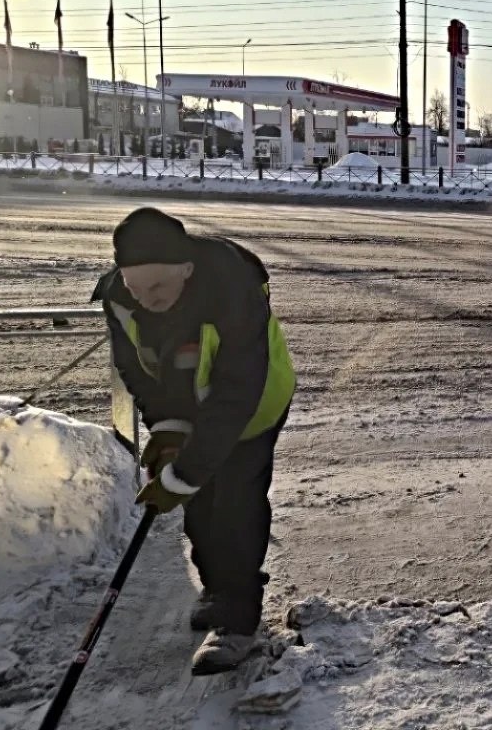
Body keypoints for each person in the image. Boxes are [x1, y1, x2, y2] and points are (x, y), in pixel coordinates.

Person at [93, 208, 295, 674]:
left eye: (158, 287)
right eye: (134, 287)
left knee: (235, 504)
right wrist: (166, 428)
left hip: (252, 407)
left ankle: (239, 623)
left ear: (187, 268)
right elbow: (136, 371)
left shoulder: (232, 290)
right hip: (190, 404)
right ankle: (218, 587)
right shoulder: (119, 298)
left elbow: (235, 392)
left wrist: (184, 473)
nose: (145, 300)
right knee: (198, 507)